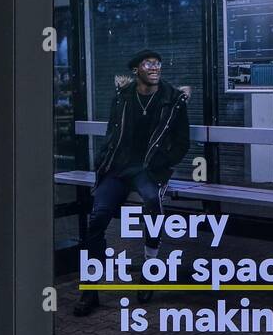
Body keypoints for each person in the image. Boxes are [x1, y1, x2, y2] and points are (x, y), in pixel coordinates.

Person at [74, 49, 190, 317]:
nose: (155, 67)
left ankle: (150, 270)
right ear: (136, 69)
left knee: (152, 202)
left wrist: (163, 163)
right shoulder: (123, 98)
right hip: (117, 169)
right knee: (97, 220)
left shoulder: (173, 101)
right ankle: (89, 291)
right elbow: (111, 133)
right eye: (148, 63)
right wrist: (103, 160)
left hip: (148, 170)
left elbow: (182, 142)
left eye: (158, 64)